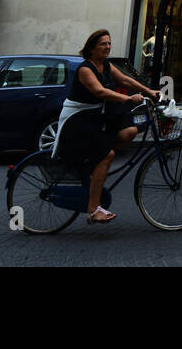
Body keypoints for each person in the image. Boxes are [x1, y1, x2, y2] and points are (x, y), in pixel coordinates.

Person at [52, 29, 159, 224]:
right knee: (107, 155)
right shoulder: (85, 69)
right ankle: (93, 209)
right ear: (91, 48)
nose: (108, 47)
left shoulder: (106, 65)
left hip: (95, 117)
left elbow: (125, 79)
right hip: (77, 121)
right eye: (103, 44)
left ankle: (96, 165)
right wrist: (128, 98)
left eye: (109, 43)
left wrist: (148, 91)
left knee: (129, 131)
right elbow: (99, 91)